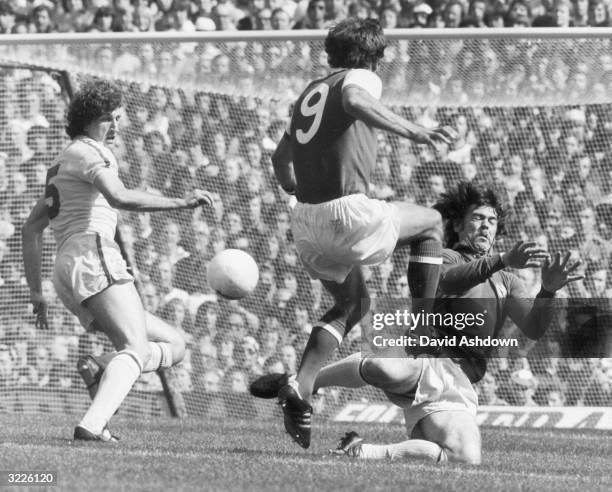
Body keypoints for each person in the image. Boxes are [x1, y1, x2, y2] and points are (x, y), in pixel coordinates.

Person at [253, 181, 582, 462]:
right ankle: (303, 383)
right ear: (456, 225)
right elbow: (448, 281)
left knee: (465, 459)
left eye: (492, 221)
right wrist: (501, 260)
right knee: (385, 367)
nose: (486, 226)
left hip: (459, 385)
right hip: (428, 361)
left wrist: (549, 290)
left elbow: (534, 328)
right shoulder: (450, 256)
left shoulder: (507, 281)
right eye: (478, 218)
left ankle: (360, 449)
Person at [253, 18, 456, 449]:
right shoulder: (358, 76)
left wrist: (294, 188)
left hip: (305, 221)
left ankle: (301, 386)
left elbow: (280, 160)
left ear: (329, 54)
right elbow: (355, 98)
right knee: (433, 222)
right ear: (377, 56)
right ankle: (424, 326)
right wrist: (416, 131)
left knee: (354, 303)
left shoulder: (309, 92)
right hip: (348, 213)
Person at [22, 79, 213, 442]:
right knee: (135, 348)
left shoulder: (65, 159)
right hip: (93, 254)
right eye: (114, 118)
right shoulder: (90, 152)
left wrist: (37, 294)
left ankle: (102, 368)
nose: (118, 126)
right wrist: (181, 202)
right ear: (96, 119)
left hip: (71, 264)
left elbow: (31, 228)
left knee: (175, 345)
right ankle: (92, 426)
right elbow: (120, 197)